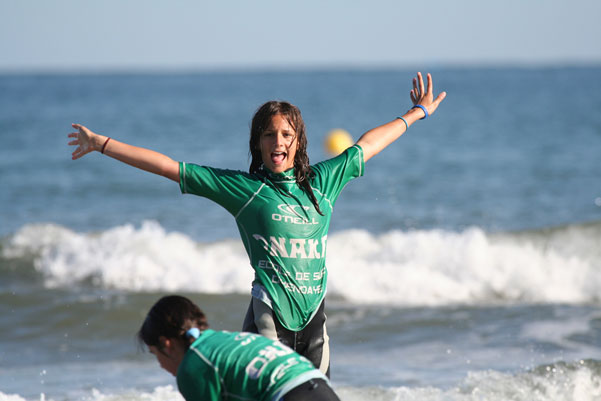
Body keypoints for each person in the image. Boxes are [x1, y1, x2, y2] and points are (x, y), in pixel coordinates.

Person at [69, 72, 446, 376]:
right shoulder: (244, 189)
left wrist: (417, 113)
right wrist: (102, 143)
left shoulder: (323, 182)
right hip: (269, 317)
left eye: (286, 134)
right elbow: (170, 167)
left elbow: (369, 144)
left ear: (298, 141)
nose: (277, 141)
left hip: (315, 319)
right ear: (258, 143)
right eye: (269, 134)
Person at [138, 295, 340, 401]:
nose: (161, 366)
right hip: (323, 390)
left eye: (156, 355)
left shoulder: (193, 365)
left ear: (167, 344)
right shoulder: (227, 341)